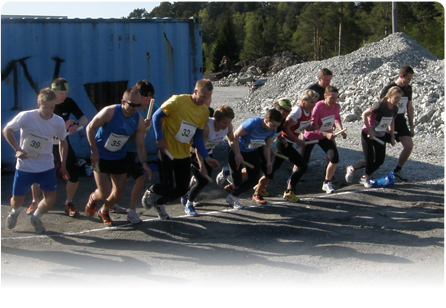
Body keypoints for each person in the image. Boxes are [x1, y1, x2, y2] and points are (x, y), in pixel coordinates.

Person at [141, 79, 220, 219]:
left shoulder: (204, 112)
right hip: (167, 149)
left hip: (183, 153)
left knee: (182, 189)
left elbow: (198, 137)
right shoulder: (178, 101)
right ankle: (151, 189)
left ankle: (159, 203)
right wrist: (160, 139)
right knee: (167, 187)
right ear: (195, 92)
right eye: (203, 96)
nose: (205, 100)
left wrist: (206, 157)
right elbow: (156, 116)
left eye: (208, 97)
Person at [3, 88, 68, 233]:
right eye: (45, 107)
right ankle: (14, 213)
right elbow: (7, 130)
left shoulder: (58, 121)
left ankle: (36, 217)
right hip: (25, 166)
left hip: (46, 166)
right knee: (17, 201)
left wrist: (63, 164)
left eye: (52, 107)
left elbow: (63, 142)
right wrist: (17, 149)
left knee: (50, 199)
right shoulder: (26, 117)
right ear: (38, 104)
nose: (49, 111)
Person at [85, 88, 152, 226]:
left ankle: (104, 210)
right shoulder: (109, 112)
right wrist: (94, 151)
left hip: (119, 156)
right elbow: (90, 128)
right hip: (101, 156)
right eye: (132, 105)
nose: (135, 108)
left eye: (138, 105)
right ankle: (93, 197)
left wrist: (144, 163)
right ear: (123, 102)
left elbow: (140, 145)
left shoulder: (138, 120)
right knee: (104, 192)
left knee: (119, 192)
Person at [27, 78, 89, 218]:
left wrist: (75, 125)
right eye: (61, 93)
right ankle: (35, 202)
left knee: (73, 171)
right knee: (37, 173)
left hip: (62, 143)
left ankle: (69, 202)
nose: (64, 96)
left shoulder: (69, 102)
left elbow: (84, 120)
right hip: (45, 143)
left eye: (66, 93)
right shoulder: (47, 104)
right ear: (53, 91)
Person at [258, 90, 320, 202]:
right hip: (284, 143)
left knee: (273, 167)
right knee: (302, 166)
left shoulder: (308, 111)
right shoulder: (297, 110)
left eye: (315, 102)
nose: (313, 105)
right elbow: (286, 127)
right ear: (304, 101)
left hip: (287, 142)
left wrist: (311, 127)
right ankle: (289, 191)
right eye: (311, 102)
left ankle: (260, 186)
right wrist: (297, 140)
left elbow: (301, 127)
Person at [181, 105, 240, 216]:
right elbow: (199, 148)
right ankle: (189, 203)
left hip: (208, 153)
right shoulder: (207, 127)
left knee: (202, 178)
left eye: (229, 122)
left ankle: (186, 193)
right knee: (202, 181)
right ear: (216, 119)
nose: (226, 125)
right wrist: (201, 166)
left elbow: (232, 139)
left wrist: (237, 154)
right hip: (194, 153)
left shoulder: (228, 127)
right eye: (224, 122)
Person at [223, 109, 282, 209]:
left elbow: (266, 146)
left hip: (251, 151)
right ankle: (226, 173)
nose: (274, 129)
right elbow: (235, 136)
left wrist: (268, 162)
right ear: (266, 121)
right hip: (237, 149)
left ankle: (233, 196)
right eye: (273, 126)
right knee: (236, 182)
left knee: (254, 178)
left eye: (277, 126)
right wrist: (237, 154)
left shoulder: (273, 129)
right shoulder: (253, 123)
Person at [345, 86, 402, 187]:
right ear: (389, 96)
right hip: (368, 133)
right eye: (396, 97)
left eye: (399, 98)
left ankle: (364, 176)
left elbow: (391, 121)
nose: (398, 100)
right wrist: (370, 130)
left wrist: (392, 136)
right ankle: (353, 170)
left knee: (380, 160)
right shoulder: (380, 105)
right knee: (369, 159)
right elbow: (364, 114)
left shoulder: (395, 109)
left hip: (380, 134)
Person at [300, 85, 347, 194]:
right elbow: (311, 126)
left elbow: (337, 117)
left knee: (334, 158)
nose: (334, 101)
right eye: (331, 98)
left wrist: (341, 129)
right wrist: (324, 132)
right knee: (302, 161)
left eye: (336, 98)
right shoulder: (318, 106)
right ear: (325, 96)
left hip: (325, 136)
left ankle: (327, 182)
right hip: (312, 135)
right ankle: (292, 182)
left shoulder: (336, 106)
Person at [121, 80, 156, 224]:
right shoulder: (132, 112)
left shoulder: (151, 107)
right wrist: (140, 128)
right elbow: (128, 139)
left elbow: (164, 115)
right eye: (144, 95)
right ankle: (132, 211)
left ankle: (107, 202)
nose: (147, 98)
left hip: (135, 151)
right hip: (124, 151)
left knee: (123, 181)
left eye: (150, 95)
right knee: (140, 179)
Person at [251, 98, 293, 205]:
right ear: (279, 109)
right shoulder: (272, 119)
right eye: (286, 111)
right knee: (267, 172)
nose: (288, 113)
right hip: (260, 145)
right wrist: (267, 148)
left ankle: (233, 181)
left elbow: (276, 134)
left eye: (290, 111)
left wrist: (282, 139)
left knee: (258, 169)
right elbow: (264, 135)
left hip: (265, 145)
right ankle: (257, 194)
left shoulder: (282, 120)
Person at [379, 65, 415, 181]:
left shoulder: (408, 89)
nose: (409, 81)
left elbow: (409, 108)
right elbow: (380, 106)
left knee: (409, 146)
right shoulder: (389, 88)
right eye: (408, 79)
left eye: (410, 79)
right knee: (377, 153)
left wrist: (412, 126)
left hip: (400, 121)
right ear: (401, 76)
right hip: (388, 121)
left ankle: (397, 170)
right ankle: (359, 169)